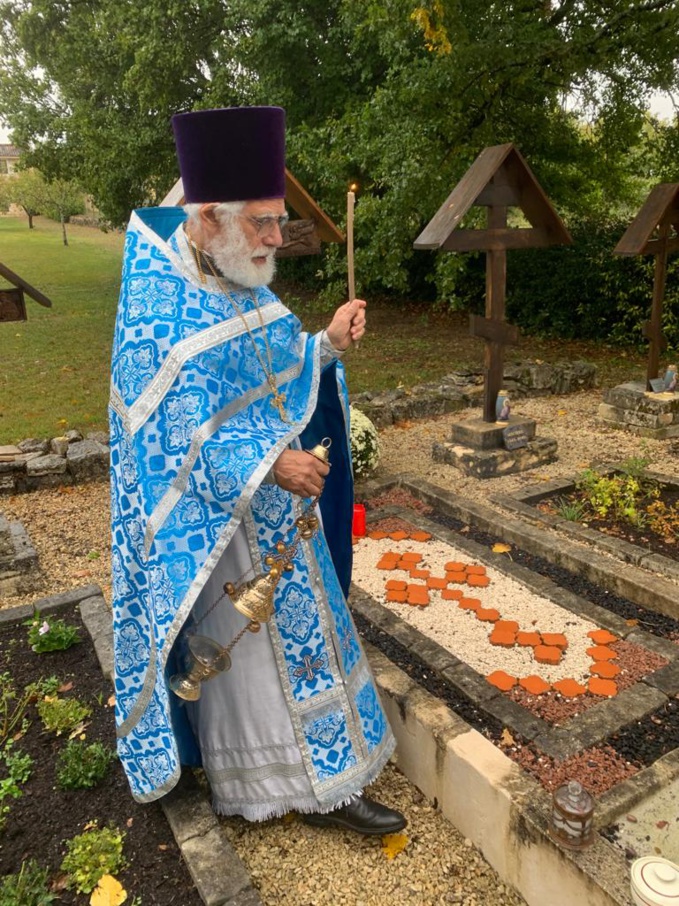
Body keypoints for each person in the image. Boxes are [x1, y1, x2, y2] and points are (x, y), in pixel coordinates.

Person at [109, 106, 405, 836]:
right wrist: (268, 461)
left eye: (278, 221)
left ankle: (332, 773)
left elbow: (269, 366)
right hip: (215, 523)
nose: (277, 240)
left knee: (310, 633)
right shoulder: (157, 299)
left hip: (279, 512)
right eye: (263, 223)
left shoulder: (240, 269)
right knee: (255, 660)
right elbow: (170, 428)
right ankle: (286, 786)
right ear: (209, 217)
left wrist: (326, 344)